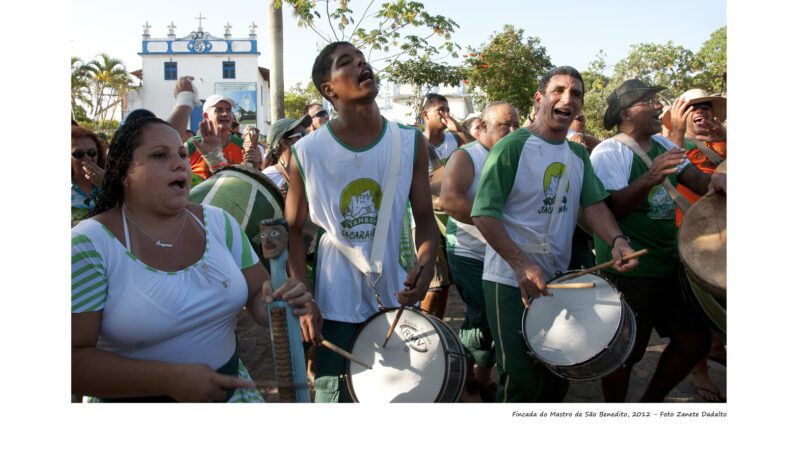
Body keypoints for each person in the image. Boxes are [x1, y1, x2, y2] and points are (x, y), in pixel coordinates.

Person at [71, 116, 313, 402]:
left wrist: (280, 300)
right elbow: (72, 365)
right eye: (160, 156)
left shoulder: (219, 222)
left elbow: (259, 296)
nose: (179, 164)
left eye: (182, 154)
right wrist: (168, 380)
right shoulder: (88, 245)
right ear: (123, 171)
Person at [471, 66, 639, 403]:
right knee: (521, 383)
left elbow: (594, 207)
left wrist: (618, 241)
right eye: (558, 90)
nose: (567, 98)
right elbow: (483, 213)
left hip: (558, 280)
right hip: (508, 280)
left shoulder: (578, 155)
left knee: (556, 377)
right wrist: (520, 263)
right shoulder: (512, 147)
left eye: (575, 93)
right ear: (539, 99)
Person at [284, 41, 439, 403]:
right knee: (335, 397)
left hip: (395, 296)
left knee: (402, 394)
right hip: (333, 301)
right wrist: (305, 297)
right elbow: (293, 230)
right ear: (329, 90)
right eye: (346, 63)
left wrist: (426, 263)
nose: (361, 65)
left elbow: (426, 221)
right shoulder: (305, 153)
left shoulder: (409, 142)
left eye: (362, 59)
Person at [590, 79, 726, 402]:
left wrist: (717, 179)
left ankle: (650, 404)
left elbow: (695, 178)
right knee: (623, 355)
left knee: (694, 342)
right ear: (626, 113)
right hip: (630, 271)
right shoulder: (609, 152)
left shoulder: (665, 148)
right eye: (648, 102)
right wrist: (651, 178)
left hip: (671, 266)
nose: (657, 108)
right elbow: (611, 209)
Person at [438, 101, 520, 401]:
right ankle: (463, 371)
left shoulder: (514, 155)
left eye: (516, 125)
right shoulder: (467, 155)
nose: (512, 131)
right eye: (504, 125)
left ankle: (478, 375)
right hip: (469, 251)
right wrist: (492, 227)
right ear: (482, 128)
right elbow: (450, 200)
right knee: (483, 314)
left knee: (493, 317)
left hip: (502, 252)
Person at [662, 88, 728, 402]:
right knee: (696, 315)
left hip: (726, 238)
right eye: (692, 108)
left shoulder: (726, 142)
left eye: (705, 106)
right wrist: (675, 134)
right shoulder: (676, 144)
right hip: (688, 239)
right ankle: (700, 369)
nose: (701, 112)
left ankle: (717, 346)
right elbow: (670, 170)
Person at [186, 95, 245, 180]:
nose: (225, 114)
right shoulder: (192, 145)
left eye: (229, 110)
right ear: (206, 116)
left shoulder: (242, 144)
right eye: (219, 110)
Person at [262, 116, 312, 196]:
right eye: (302, 135)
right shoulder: (268, 178)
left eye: (307, 134)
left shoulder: (311, 171)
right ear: (284, 142)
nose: (307, 139)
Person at [71, 125, 107, 223]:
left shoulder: (110, 180)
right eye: (79, 154)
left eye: (92, 153)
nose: (87, 158)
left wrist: (108, 184)